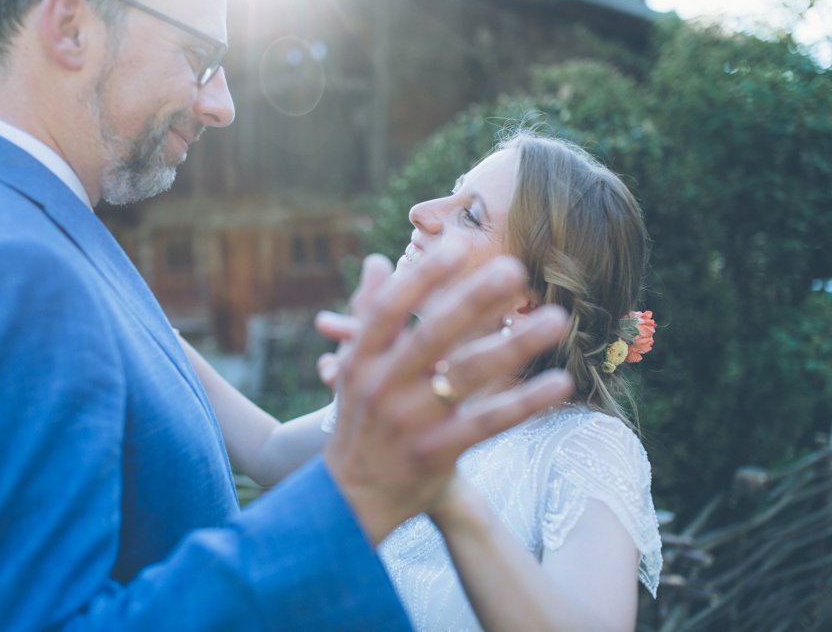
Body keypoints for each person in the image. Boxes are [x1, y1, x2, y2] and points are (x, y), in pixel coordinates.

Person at [0, 0, 574, 629]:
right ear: (70, 28)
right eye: (200, 58)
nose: (221, 106)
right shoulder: (0, 267)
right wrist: (355, 498)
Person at [189, 130, 663, 631]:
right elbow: (266, 450)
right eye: (454, 190)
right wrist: (134, 314)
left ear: (524, 302)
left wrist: (446, 496)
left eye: (470, 215)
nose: (421, 210)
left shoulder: (586, 449)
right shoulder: (411, 408)